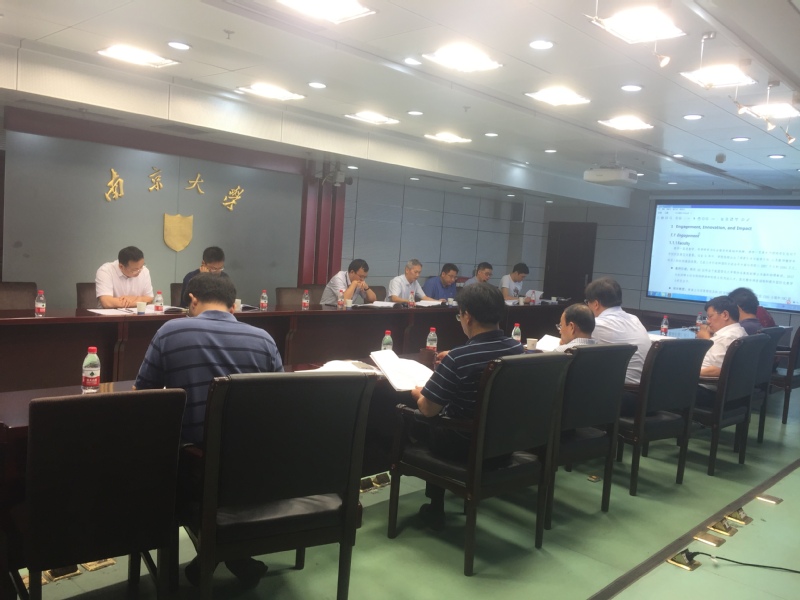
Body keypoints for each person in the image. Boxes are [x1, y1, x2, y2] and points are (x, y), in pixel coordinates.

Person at [134, 273, 283, 587]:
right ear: (233, 305)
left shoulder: (170, 331)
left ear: (191, 300)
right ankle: (231, 556)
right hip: (256, 471)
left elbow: (143, 396)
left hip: (195, 470)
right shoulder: (264, 340)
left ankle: (214, 554)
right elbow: (278, 405)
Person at [411, 283, 524, 528]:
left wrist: (417, 391)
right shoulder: (517, 348)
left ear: (468, 316)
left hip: (463, 446)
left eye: (459, 315)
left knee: (411, 418)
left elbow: (428, 409)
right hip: (504, 445)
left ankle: (435, 505)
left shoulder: (459, 358)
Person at [584, 277, 651, 416]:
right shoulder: (634, 319)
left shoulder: (597, 324)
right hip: (647, 396)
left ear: (595, 304)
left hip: (623, 396)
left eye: (587, 303)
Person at [695, 295, 747, 407]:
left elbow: (718, 370)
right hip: (731, 394)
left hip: (707, 392)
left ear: (725, 315)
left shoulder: (725, 338)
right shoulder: (741, 332)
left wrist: (687, 373)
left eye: (710, 316)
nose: (708, 321)